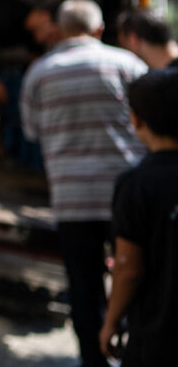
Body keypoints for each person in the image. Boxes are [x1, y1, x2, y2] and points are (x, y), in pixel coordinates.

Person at [20, 0, 147, 367]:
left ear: (59, 30)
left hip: (71, 197)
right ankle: (132, 351)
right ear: (99, 30)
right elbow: (151, 124)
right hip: (124, 195)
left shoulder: (40, 72)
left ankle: (93, 360)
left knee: (83, 286)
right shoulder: (127, 65)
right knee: (136, 274)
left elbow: (30, 131)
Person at [99, 69, 178, 366]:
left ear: (136, 120)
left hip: (157, 337)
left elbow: (128, 268)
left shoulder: (137, 183)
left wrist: (111, 321)